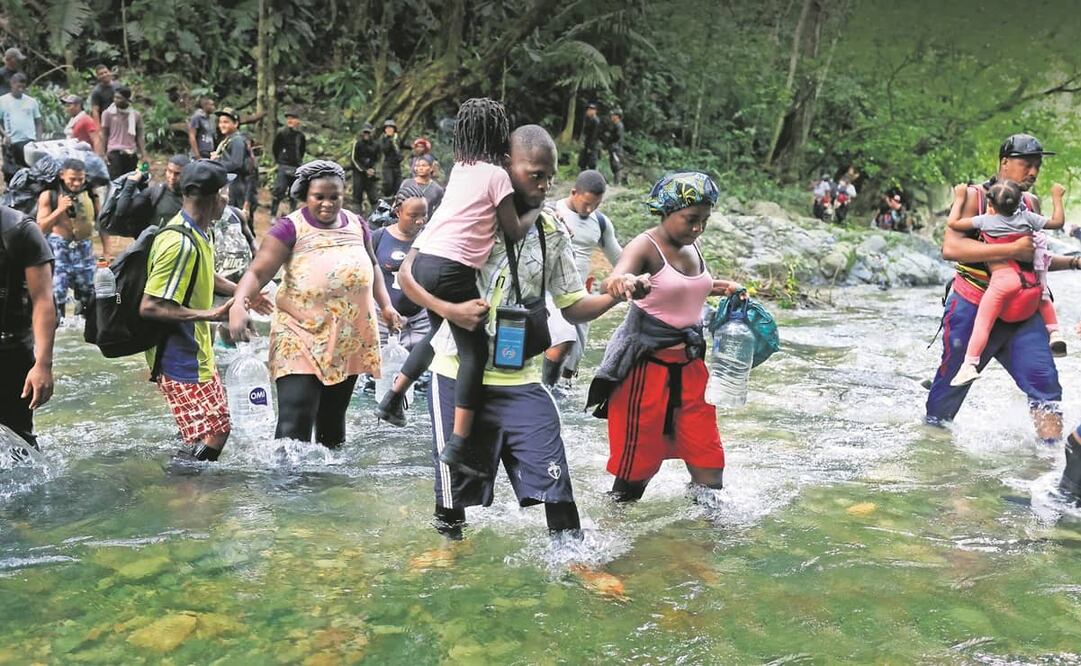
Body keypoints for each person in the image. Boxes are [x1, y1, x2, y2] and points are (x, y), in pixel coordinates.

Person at [396, 124, 642, 539]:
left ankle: (573, 558)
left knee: (555, 479)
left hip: (521, 377)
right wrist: (449, 309)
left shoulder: (551, 231)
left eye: (550, 176)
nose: (545, 185)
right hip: (455, 374)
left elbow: (574, 306)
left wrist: (617, 294)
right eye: (535, 175)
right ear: (507, 166)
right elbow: (407, 275)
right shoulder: (462, 216)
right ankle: (448, 554)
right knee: (453, 493)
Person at [374, 98, 542, 481]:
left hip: (427, 261)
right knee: (474, 353)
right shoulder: (497, 175)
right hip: (453, 270)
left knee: (437, 332)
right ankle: (459, 443)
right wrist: (536, 209)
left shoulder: (461, 169)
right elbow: (514, 231)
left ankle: (393, 397)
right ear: (500, 136)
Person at [228, 161, 402, 448]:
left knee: (332, 426)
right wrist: (239, 305)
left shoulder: (358, 224)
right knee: (295, 420)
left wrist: (386, 306)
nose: (327, 204)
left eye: (335, 196)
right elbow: (257, 272)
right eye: (318, 197)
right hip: (299, 335)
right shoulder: (289, 228)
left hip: (347, 337)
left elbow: (372, 266)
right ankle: (285, 487)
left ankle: (326, 489)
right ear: (306, 196)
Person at [586, 172, 737, 502]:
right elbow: (619, 275)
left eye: (704, 220)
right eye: (690, 219)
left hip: (691, 369)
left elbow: (678, 287)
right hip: (645, 370)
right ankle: (615, 534)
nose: (697, 228)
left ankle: (704, 543)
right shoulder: (646, 246)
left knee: (709, 462)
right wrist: (624, 282)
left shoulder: (692, 245)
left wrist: (717, 286)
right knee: (635, 475)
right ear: (666, 212)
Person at [926, 133, 1076, 442]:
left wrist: (1074, 263)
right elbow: (951, 248)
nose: (1033, 173)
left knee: (1046, 385)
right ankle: (935, 457)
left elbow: (1037, 258)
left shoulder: (1032, 203)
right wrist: (1011, 252)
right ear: (1004, 163)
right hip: (972, 303)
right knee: (949, 391)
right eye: (1026, 165)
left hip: (1023, 308)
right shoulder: (972, 196)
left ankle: (1049, 466)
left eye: (1037, 166)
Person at [139, 160, 237, 463]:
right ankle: (184, 493)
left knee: (213, 428)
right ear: (212, 197)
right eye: (225, 192)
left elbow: (203, 273)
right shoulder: (178, 242)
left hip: (197, 354)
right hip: (178, 359)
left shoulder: (199, 233)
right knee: (212, 431)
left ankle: (190, 487)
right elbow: (151, 306)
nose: (228, 199)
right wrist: (209, 314)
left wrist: (244, 292)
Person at [947, 180, 1066, 386]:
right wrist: (1057, 197)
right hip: (1030, 279)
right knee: (1044, 296)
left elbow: (954, 223)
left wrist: (959, 198)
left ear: (991, 206)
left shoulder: (986, 220)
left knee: (983, 323)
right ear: (1020, 202)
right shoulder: (1027, 217)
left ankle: (969, 365)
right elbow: (1057, 223)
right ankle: (1054, 333)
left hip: (1003, 280)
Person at [542, 169, 621, 389]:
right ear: (574, 192)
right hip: (550, 292)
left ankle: (563, 390)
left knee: (574, 355)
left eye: (595, 205)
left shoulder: (601, 223)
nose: (590, 209)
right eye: (586, 203)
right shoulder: (551, 211)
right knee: (564, 339)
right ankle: (546, 392)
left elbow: (621, 260)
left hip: (581, 294)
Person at [0, 203, 55, 451]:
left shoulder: (19, 229)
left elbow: (43, 299)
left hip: (10, 352)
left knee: (19, 443)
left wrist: (42, 365)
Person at [36, 158, 98, 319]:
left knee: (89, 294)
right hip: (59, 248)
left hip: (84, 248)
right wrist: (60, 209)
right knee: (57, 294)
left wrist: (107, 250)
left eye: (80, 179)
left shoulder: (91, 193)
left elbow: (101, 222)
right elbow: (40, 228)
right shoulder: (49, 195)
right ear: (62, 175)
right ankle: (58, 327)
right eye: (72, 179)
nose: (76, 183)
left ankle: (83, 329)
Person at [372, 183, 431, 348]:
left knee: (419, 370)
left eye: (424, 214)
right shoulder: (378, 237)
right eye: (413, 215)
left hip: (422, 322)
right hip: (383, 321)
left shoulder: (430, 239)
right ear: (398, 212)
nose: (420, 221)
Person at [112, 154, 190, 235]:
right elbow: (120, 212)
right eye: (169, 171)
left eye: (177, 174)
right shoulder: (155, 192)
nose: (172, 177)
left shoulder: (194, 198)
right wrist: (131, 183)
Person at [211, 107, 258, 229]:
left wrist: (217, 162)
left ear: (236, 123)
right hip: (232, 186)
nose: (222, 125)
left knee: (238, 223)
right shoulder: (228, 139)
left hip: (238, 189)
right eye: (220, 122)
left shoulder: (237, 140)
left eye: (226, 122)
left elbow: (236, 163)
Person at [0, 73, 43, 183]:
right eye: (18, 86)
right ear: (12, 84)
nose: (21, 89)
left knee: (30, 171)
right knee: (11, 173)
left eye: (23, 87)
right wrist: (4, 134)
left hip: (28, 142)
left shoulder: (31, 102)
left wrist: (38, 139)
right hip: (11, 142)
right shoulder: (2, 101)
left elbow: (38, 121)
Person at [99, 85, 145, 179]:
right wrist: (103, 153)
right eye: (115, 97)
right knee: (116, 182)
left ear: (126, 99)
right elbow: (104, 134)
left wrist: (143, 154)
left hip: (131, 153)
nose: (116, 100)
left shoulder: (135, 115)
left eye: (119, 98)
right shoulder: (108, 114)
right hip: (114, 152)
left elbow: (139, 136)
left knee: (131, 180)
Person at [270, 109, 306, 217]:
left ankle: (292, 215)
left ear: (298, 121)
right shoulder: (281, 133)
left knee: (294, 192)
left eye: (293, 118)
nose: (290, 120)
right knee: (279, 190)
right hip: (283, 165)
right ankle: (273, 214)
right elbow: (275, 148)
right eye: (288, 118)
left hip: (296, 166)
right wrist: (280, 160)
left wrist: (298, 161)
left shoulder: (301, 136)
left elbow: (302, 150)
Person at [350, 123, 381, 213]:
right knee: (357, 198)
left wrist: (373, 170)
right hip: (359, 173)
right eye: (365, 133)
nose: (366, 135)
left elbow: (378, 159)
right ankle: (356, 219)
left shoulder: (376, 145)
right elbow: (353, 159)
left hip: (371, 175)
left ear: (372, 133)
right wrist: (364, 170)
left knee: (374, 197)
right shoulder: (357, 144)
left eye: (368, 133)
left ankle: (378, 219)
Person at [380, 119, 403, 197]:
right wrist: (390, 141)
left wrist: (411, 146)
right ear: (385, 130)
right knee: (388, 183)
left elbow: (401, 145)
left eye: (391, 128)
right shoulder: (384, 139)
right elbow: (385, 150)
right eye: (387, 128)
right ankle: (385, 197)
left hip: (397, 165)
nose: (389, 130)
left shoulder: (397, 138)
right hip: (388, 166)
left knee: (399, 186)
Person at [604, 108, 625, 186]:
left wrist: (614, 146)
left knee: (616, 165)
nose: (611, 117)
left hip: (616, 149)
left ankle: (617, 183)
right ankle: (616, 182)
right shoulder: (615, 125)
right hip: (613, 148)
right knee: (613, 164)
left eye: (613, 115)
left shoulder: (619, 125)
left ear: (617, 116)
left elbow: (618, 138)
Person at [578, 102, 601, 171]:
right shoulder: (587, 119)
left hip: (593, 145)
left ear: (595, 111)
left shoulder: (596, 121)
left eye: (591, 110)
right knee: (582, 162)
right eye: (588, 110)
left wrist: (590, 147)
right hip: (586, 143)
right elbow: (584, 131)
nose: (589, 111)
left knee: (592, 163)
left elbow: (595, 135)